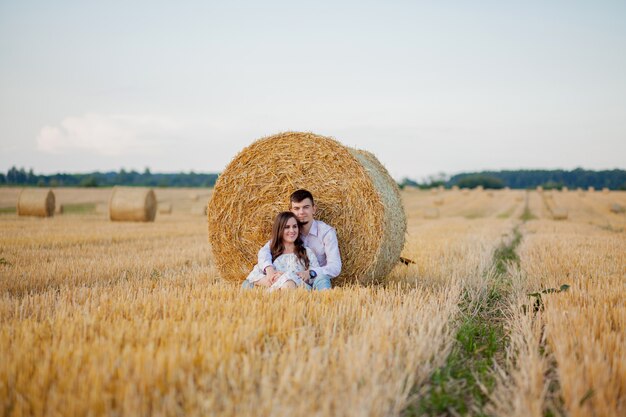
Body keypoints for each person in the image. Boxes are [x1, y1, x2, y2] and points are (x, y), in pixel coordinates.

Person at [242, 189, 341, 291]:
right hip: (285, 277)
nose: (301, 212)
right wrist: (270, 270)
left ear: (314, 209)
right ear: (291, 211)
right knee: (248, 283)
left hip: (314, 277)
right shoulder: (288, 234)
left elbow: (335, 267)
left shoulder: (326, 233)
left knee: (322, 280)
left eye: (306, 207)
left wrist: (311, 273)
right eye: (297, 208)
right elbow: (265, 251)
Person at [244, 211, 320, 291]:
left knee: (289, 281)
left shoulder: (307, 252)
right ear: (279, 229)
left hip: (301, 294)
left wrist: (306, 274)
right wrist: (275, 278)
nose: (292, 230)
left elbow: (318, 277)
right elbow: (253, 276)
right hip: (276, 294)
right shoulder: (271, 253)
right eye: (287, 227)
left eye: (295, 226)